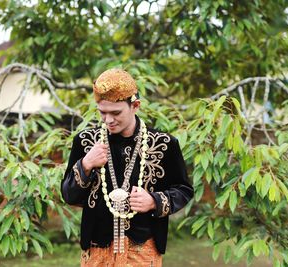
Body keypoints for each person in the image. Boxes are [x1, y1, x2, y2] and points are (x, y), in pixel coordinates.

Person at [62, 68, 193, 266]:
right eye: (102, 113)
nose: (108, 120)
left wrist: (154, 201)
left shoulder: (164, 143)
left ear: (135, 106)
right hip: (96, 250)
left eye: (115, 113)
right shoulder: (86, 141)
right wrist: (86, 164)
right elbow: (68, 196)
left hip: (144, 249)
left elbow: (184, 190)